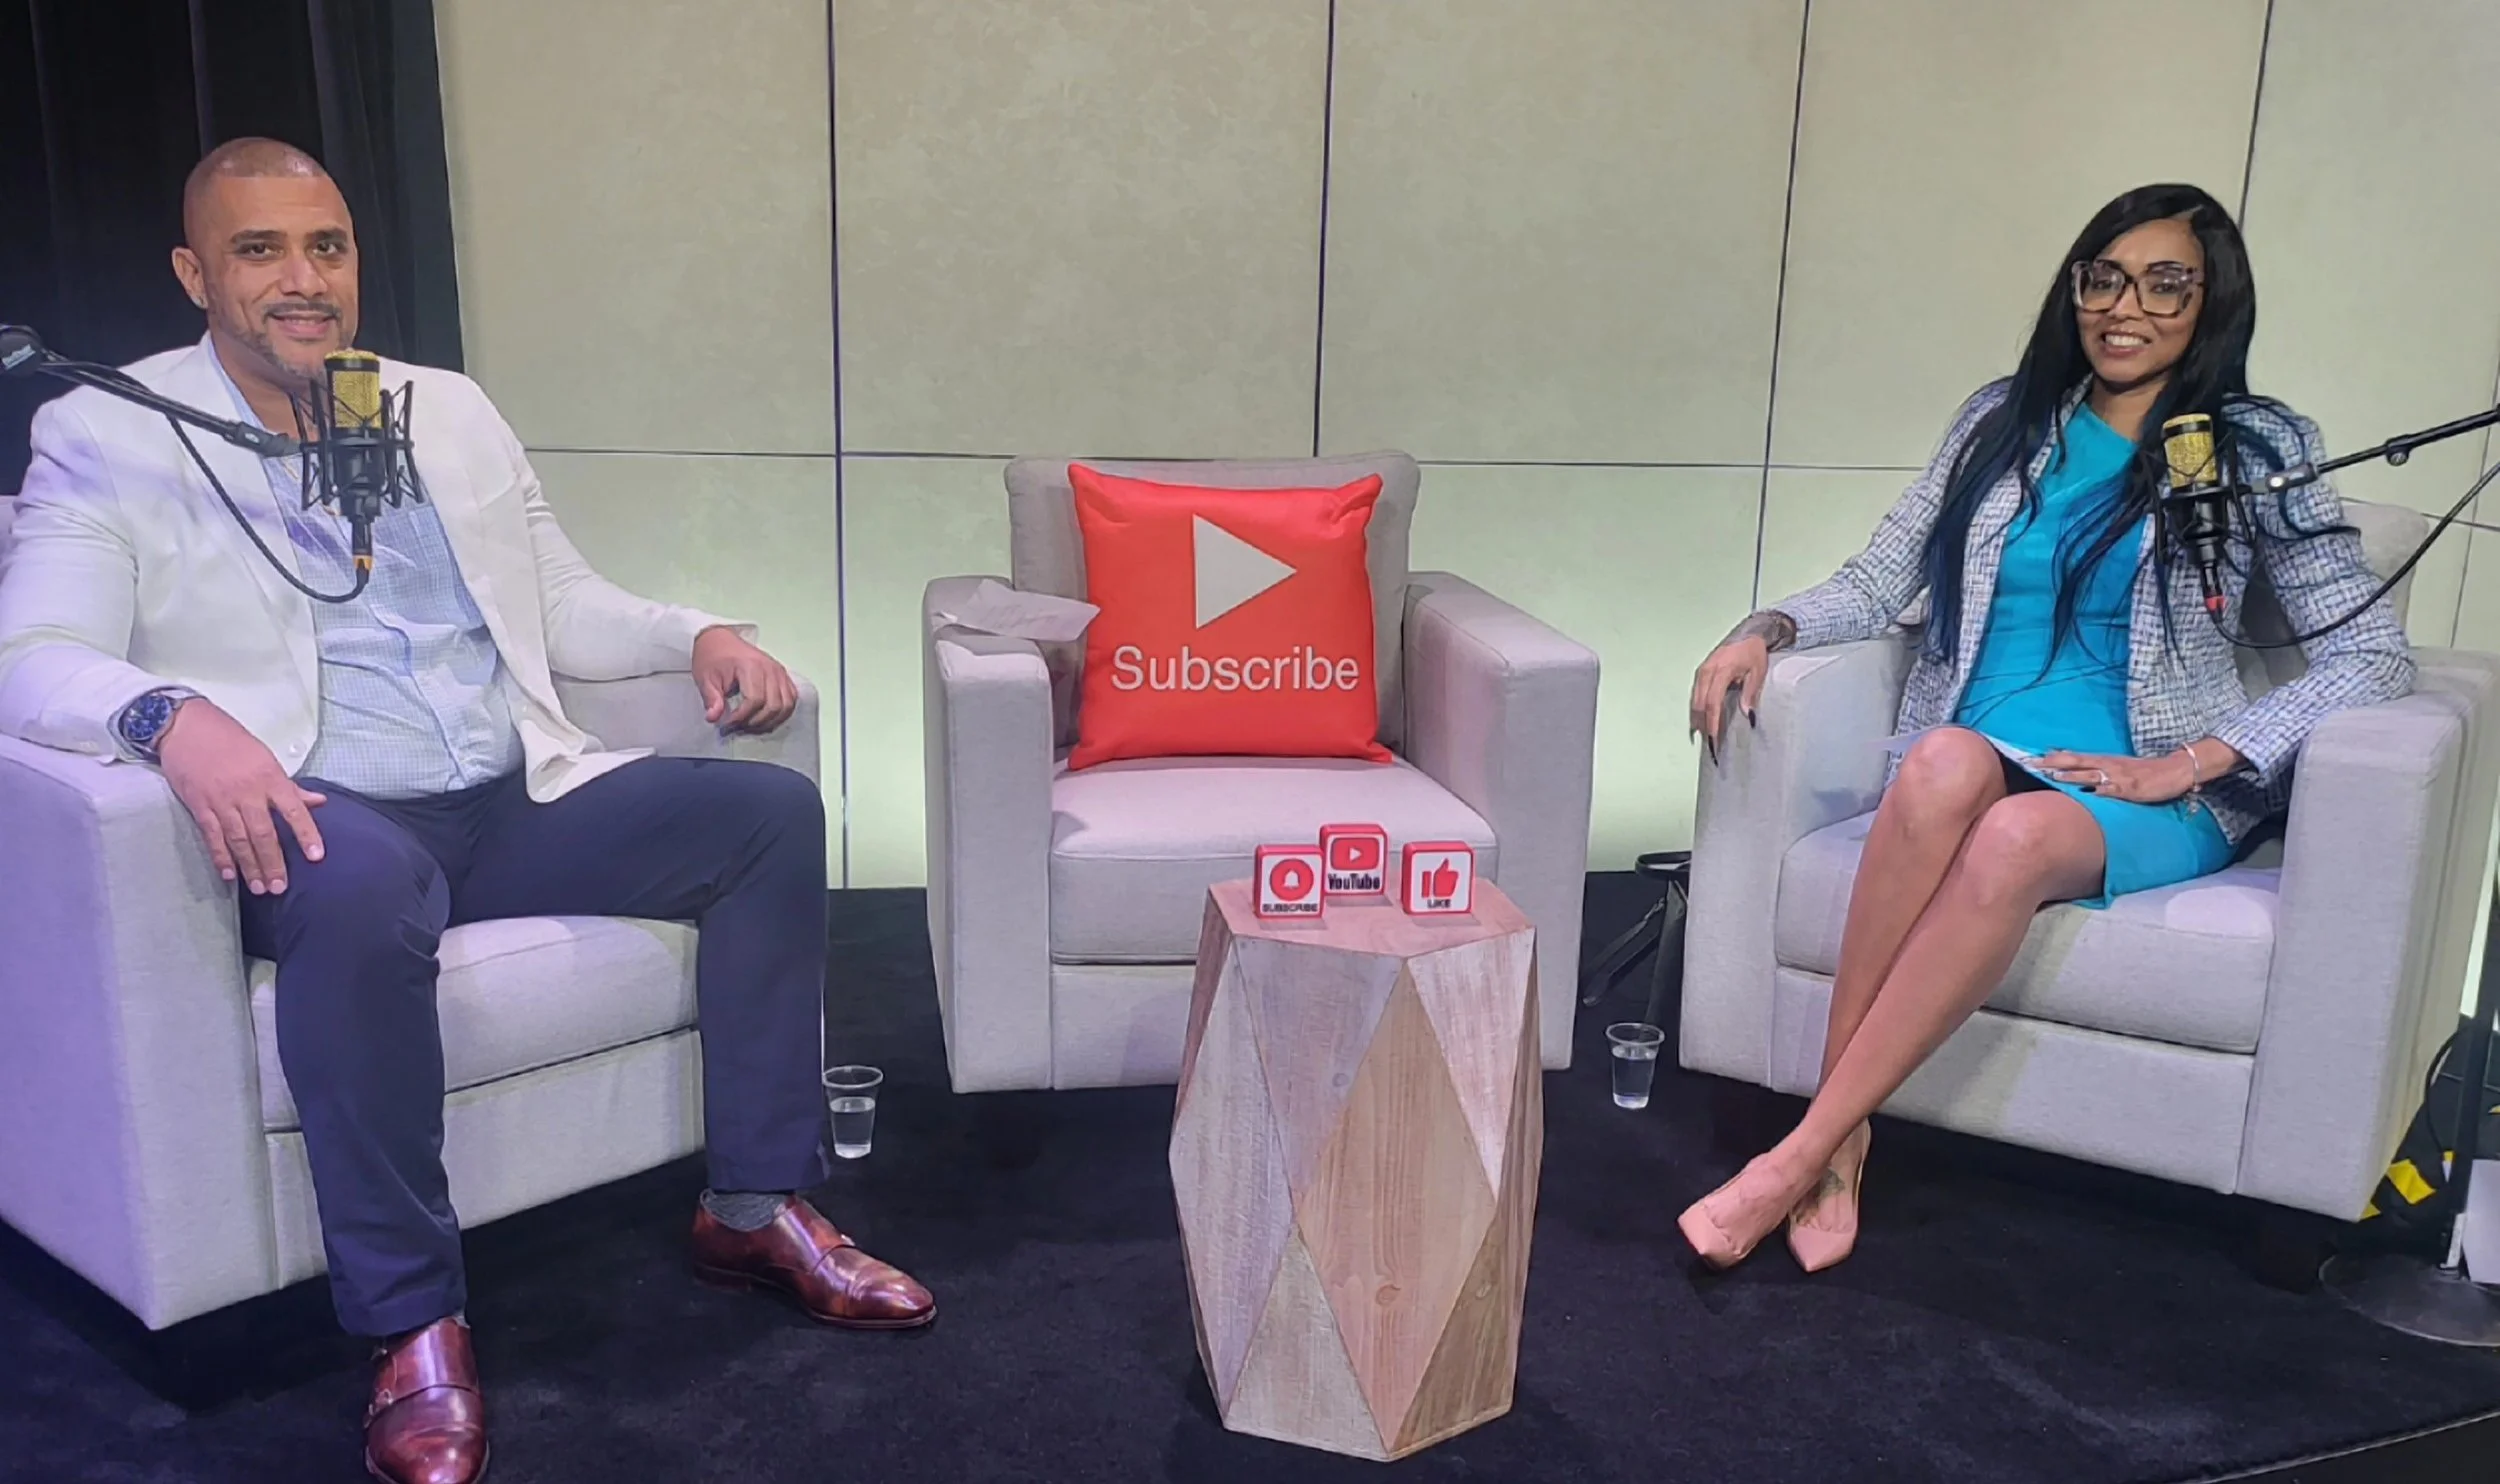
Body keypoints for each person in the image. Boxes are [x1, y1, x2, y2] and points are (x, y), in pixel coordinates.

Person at [0, 139, 932, 1484]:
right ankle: (412, 1325)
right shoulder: (113, 431)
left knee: (765, 823)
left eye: (327, 246)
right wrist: (171, 718)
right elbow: (29, 658)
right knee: (369, 884)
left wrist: (697, 632)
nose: (304, 279)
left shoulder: (438, 408)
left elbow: (556, 603)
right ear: (194, 274)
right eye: (260, 251)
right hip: (325, 821)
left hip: (507, 797)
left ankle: (753, 1206)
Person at [1678, 183, 2413, 1275]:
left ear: (2211, 305)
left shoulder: (2252, 446)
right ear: (2073, 288)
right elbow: (1882, 576)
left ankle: (1796, 1156)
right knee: (1934, 764)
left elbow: (2373, 652)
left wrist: (2194, 760)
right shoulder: (2000, 418)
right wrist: (1766, 626)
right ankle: (1837, 1141)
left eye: (2167, 283)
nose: (2127, 306)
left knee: (2013, 842)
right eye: (2102, 277)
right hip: (1981, 746)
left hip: (2135, 784)